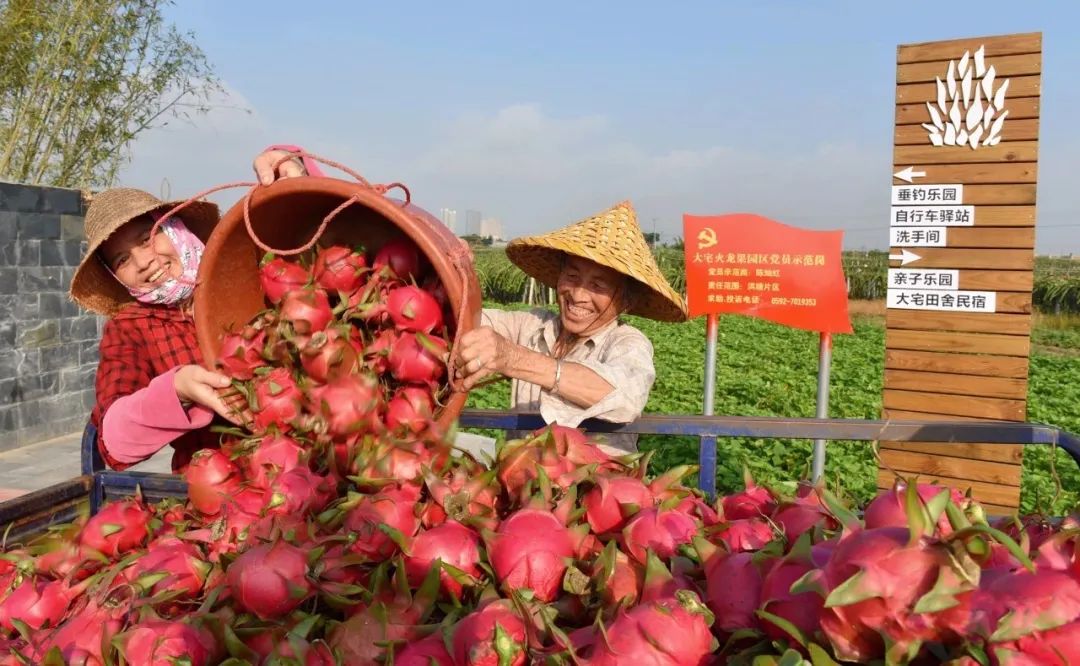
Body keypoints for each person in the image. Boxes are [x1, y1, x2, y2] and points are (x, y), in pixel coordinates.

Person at [71, 147, 318, 470]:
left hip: (318, 458)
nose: (143, 262)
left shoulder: (246, 265)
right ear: (115, 276)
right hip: (223, 482)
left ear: (175, 227)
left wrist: (293, 169)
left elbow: (317, 242)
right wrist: (176, 391)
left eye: (146, 238)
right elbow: (115, 441)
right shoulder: (131, 327)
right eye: (122, 260)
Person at [452, 201, 687, 454]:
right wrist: (457, 275)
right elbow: (464, 321)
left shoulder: (627, 343)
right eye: (572, 277)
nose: (578, 295)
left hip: (594, 477)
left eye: (598, 285)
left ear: (625, 301)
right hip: (519, 475)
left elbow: (625, 396)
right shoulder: (533, 326)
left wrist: (513, 358)